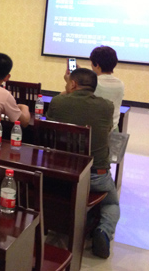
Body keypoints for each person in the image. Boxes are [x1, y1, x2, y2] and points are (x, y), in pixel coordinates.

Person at [46, 68, 117, 259]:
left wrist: (65, 91)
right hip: (95, 175)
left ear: (73, 84)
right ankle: (103, 230)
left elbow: (50, 124)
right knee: (112, 202)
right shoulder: (107, 106)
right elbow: (108, 130)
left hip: (60, 173)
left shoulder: (58, 101)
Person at [90, 46, 125, 132]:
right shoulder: (120, 84)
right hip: (114, 129)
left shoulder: (93, 83)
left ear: (97, 65)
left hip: (96, 131)